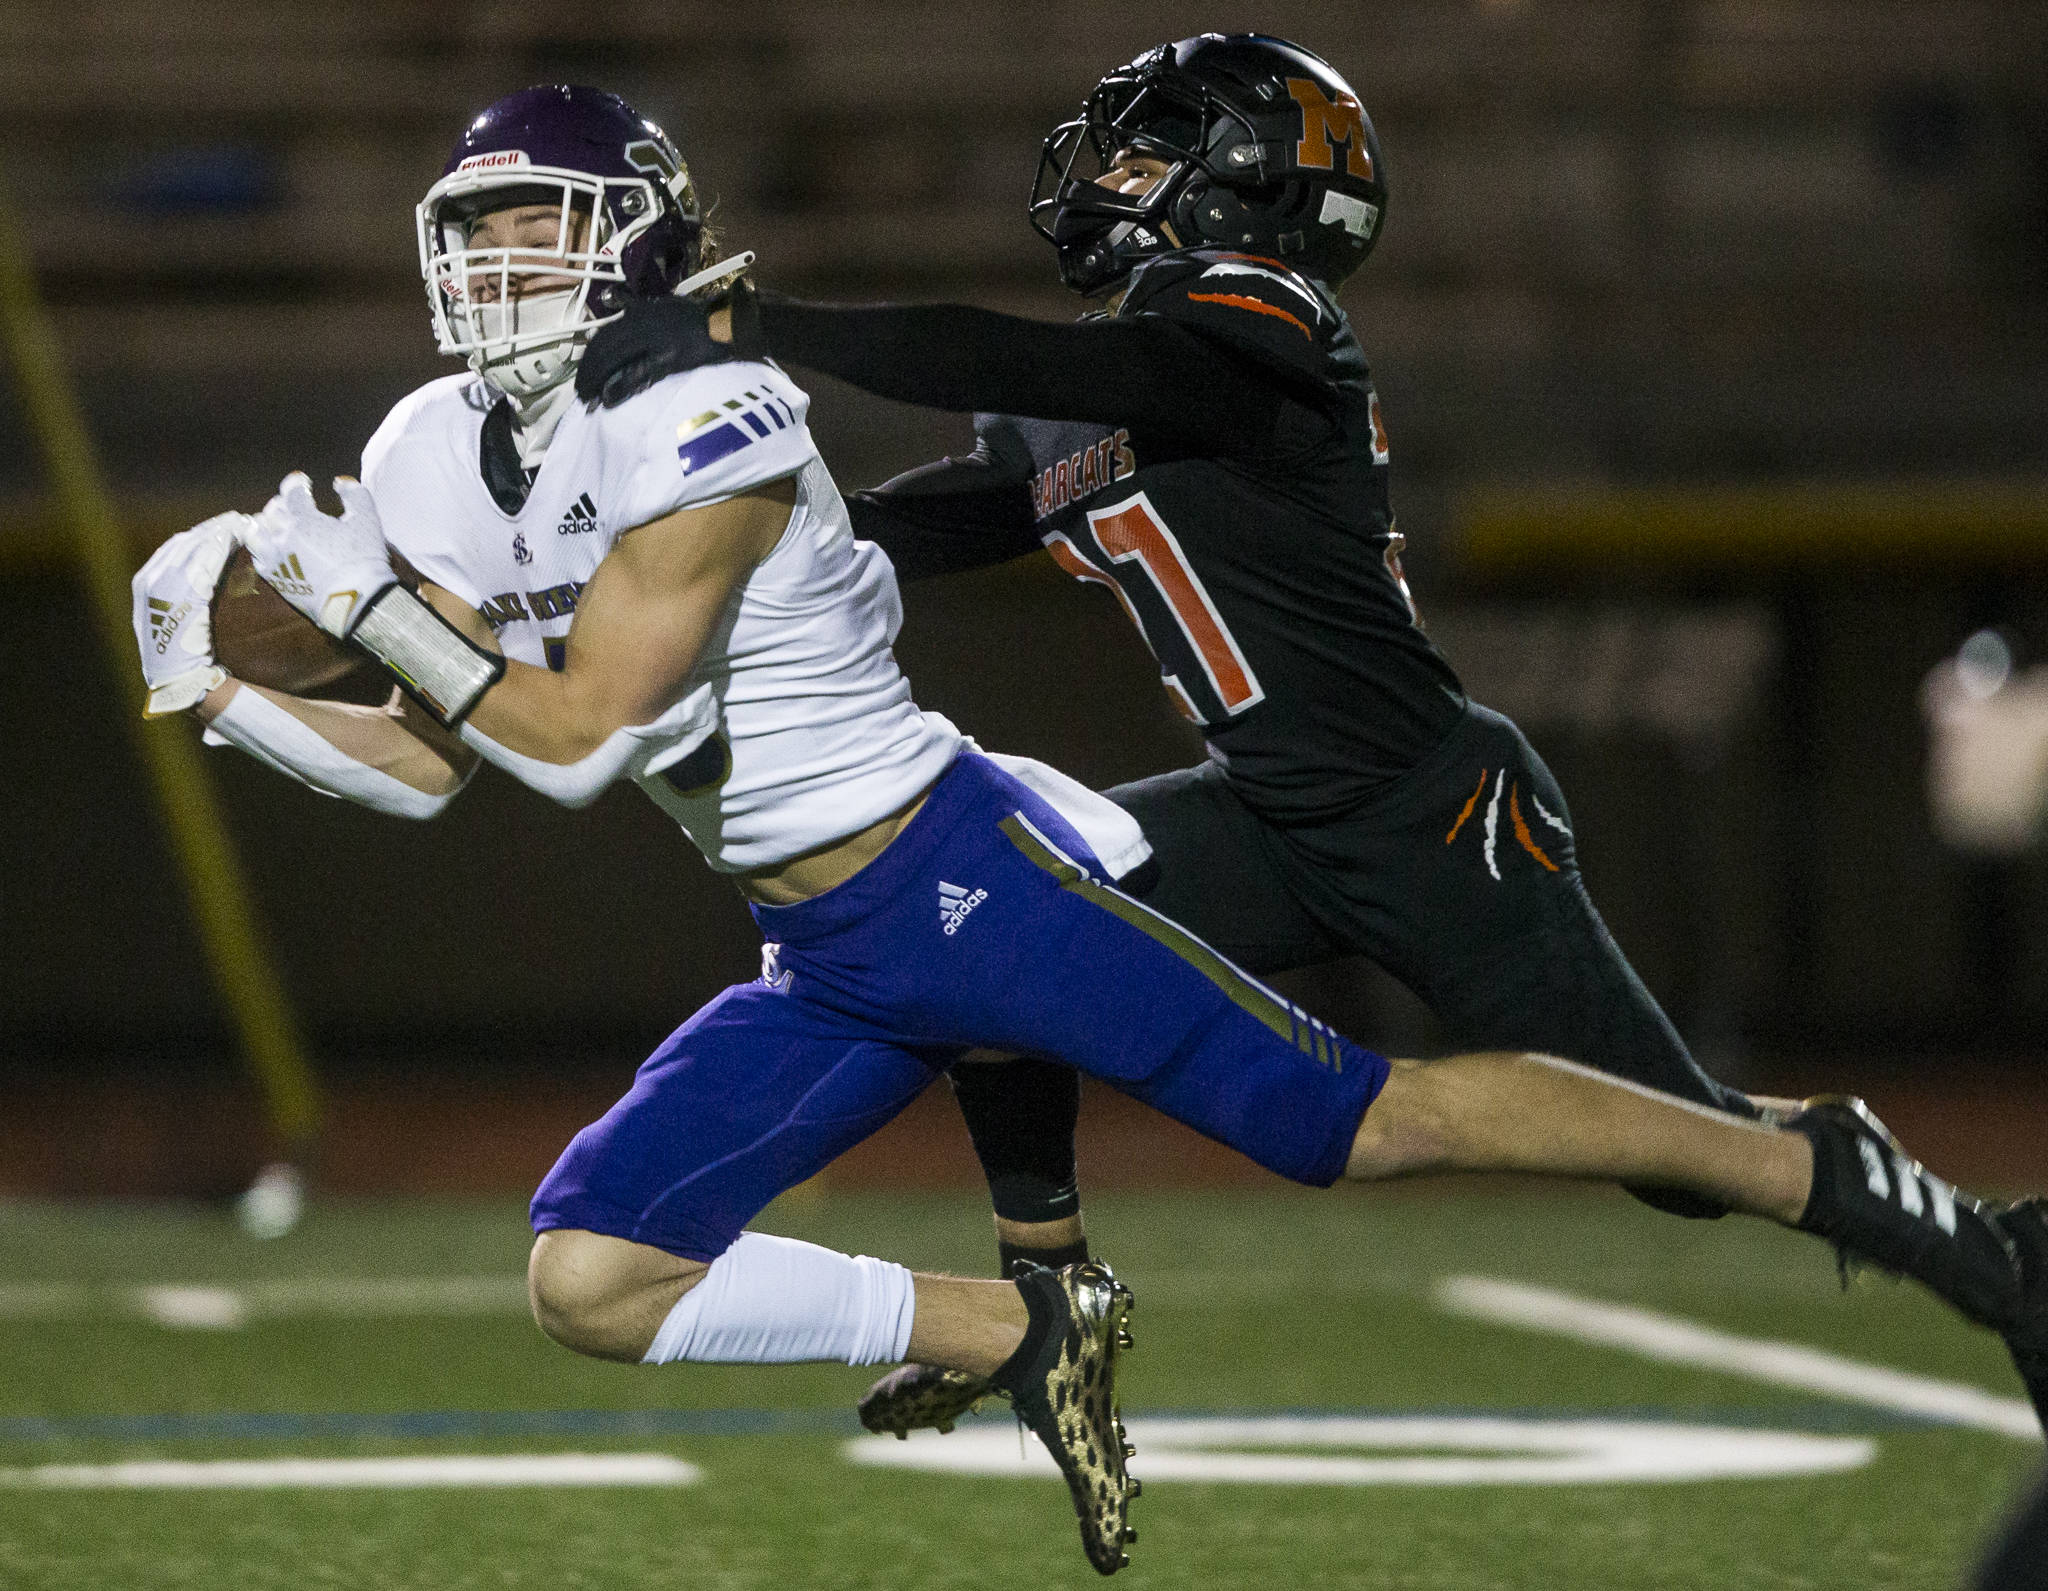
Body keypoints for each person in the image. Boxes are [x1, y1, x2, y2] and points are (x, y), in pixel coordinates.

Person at [132, 83, 2047, 1575]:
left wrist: (377, 602)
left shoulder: (742, 405)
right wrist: (225, 691)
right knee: (589, 1276)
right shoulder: (427, 455)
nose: (496, 269)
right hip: (845, 942)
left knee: (1376, 1127)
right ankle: (1022, 1313)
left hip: (1038, 859)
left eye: (539, 230)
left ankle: (1812, 1162)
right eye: (473, 232)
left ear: (632, 239)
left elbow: (564, 745)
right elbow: (436, 758)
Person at [568, 30, 1889, 1433]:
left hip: (1416, 808)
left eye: (1145, 146)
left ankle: (1893, 1192)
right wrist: (694, 545)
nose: (1102, 174)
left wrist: (763, 331)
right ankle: (1049, 1290)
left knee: (1681, 1158)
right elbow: (921, 523)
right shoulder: (1118, 379)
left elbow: (1002, 353)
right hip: (1264, 805)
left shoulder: (1260, 320)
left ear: (1236, 183)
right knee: (1004, 933)